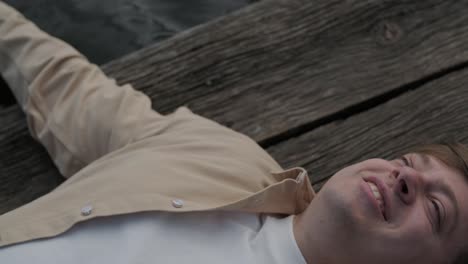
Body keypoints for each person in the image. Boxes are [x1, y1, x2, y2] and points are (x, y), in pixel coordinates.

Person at [0, 1, 467, 263]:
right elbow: (68, 93)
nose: (404, 178)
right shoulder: (216, 154)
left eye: (436, 209)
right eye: (408, 163)